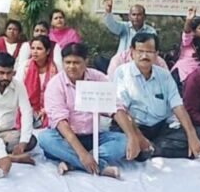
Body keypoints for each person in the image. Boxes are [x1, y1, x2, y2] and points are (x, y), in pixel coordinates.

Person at [37, 43, 139, 178]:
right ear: (62, 62)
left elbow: (115, 107)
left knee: (123, 140)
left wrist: (132, 137)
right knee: (45, 138)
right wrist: (82, 154)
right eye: (68, 62)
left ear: (86, 62)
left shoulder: (98, 78)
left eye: (76, 62)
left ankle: (72, 162)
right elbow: (61, 122)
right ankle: (99, 166)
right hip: (66, 138)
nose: (71, 66)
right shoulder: (55, 84)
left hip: (94, 136)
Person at [113, 33, 200, 160]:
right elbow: (120, 110)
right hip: (134, 126)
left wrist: (191, 134)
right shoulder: (122, 72)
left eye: (149, 52)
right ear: (132, 52)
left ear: (156, 54)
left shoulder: (164, 75)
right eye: (140, 51)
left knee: (196, 135)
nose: (144, 56)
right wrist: (137, 137)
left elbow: (177, 106)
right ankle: (150, 148)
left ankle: (151, 149)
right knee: (122, 139)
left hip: (160, 127)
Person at [17, 36, 58, 129]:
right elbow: (18, 90)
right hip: (27, 108)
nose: (35, 52)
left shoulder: (55, 69)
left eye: (39, 49)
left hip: (49, 110)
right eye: (32, 48)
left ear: (47, 51)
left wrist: (46, 109)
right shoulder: (25, 66)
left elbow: (57, 94)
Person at [171, 7, 200, 84]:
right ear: (194, 31)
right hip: (182, 76)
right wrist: (189, 20)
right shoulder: (188, 43)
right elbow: (187, 32)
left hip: (198, 78)